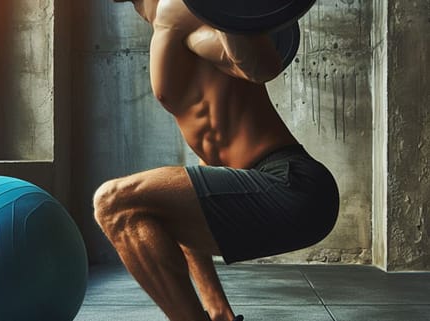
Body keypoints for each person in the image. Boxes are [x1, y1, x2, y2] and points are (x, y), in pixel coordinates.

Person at [93, 0, 340, 320]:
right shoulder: (173, 23)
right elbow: (207, 163)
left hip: (291, 183)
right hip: (261, 182)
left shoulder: (185, 9)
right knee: (165, 207)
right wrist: (218, 307)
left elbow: (263, 66)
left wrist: (224, 11)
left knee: (113, 202)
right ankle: (219, 314)